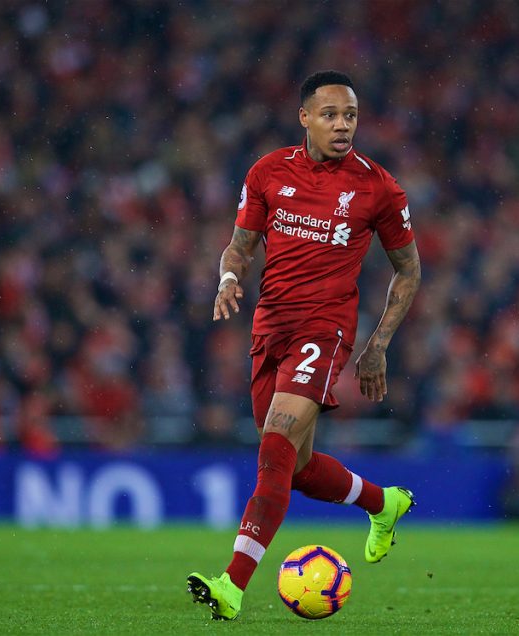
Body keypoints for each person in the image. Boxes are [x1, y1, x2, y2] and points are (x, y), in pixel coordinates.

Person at [187, 70, 422, 621]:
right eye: (331, 115)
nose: (343, 126)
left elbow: (408, 270)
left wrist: (378, 344)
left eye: (351, 116)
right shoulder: (268, 172)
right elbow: (239, 246)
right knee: (294, 465)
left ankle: (232, 584)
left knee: (276, 441)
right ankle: (383, 503)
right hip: (271, 327)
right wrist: (227, 280)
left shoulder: (378, 187)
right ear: (305, 118)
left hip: (325, 328)